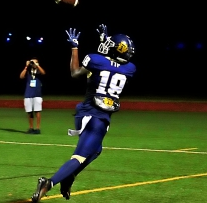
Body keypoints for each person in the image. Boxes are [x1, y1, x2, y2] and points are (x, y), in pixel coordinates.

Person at [31, 24, 136, 202]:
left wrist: (74, 47)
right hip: (95, 117)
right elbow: (112, 64)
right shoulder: (130, 68)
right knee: (79, 156)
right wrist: (105, 42)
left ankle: (69, 177)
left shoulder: (95, 59)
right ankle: (48, 183)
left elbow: (75, 73)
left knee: (96, 151)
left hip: (90, 113)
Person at [19, 57, 46, 134]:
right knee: (29, 111)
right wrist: (26, 66)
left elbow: (43, 73)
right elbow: (21, 76)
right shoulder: (28, 71)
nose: (33, 64)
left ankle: (37, 128)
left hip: (37, 94)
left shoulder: (38, 72)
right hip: (28, 94)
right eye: (32, 63)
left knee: (37, 111)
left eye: (35, 62)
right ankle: (31, 128)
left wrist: (37, 65)